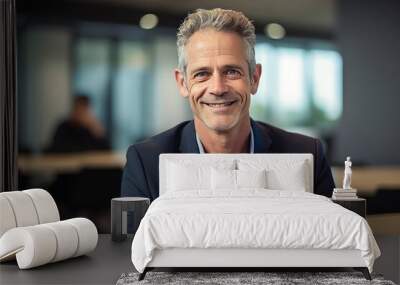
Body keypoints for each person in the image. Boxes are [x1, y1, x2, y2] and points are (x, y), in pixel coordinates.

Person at [121, 8, 335, 201]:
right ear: (183, 83)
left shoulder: (307, 155)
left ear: (255, 78)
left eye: (232, 71)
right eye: (202, 74)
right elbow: (134, 245)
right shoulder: (146, 162)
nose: (218, 88)